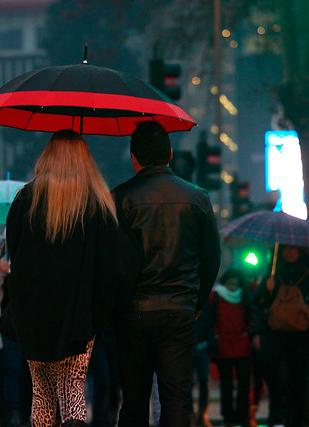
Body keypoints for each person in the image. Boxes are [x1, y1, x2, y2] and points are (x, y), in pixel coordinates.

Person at [0, 129, 141, 427]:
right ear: (84, 159)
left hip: (33, 315)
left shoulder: (26, 199)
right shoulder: (95, 201)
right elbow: (115, 263)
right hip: (78, 316)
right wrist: (104, 313)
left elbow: (15, 252)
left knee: (42, 395)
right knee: (72, 389)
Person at [111, 122, 221, 427]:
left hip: (133, 313)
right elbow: (211, 259)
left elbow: (113, 262)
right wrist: (195, 302)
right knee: (176, 399)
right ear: (170, 154)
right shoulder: (197, 198)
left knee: (133, 400)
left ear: (134, 158)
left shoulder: (119, 198)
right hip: (178, 309)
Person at [250, 244, 309, 427]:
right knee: (278, 381)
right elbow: (256, 303)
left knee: (302, 383)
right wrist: (268, 292)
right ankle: (279, 418)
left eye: (293, 248)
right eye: (285, 248)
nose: (289, 252)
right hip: (275, 336)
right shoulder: (272, 274)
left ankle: (298, 421)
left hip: (303, 337)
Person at [0, 235, 31, 426]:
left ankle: (29, 413)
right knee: (12, 370)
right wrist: (1, 273)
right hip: (7, 327)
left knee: (30, 372)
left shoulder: (30, 258)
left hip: (29, 327)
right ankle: (12, 413)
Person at [210, 268, 252, 427]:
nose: (232, 286)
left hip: (239, 345)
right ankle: (231, 416)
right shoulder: (215, 297)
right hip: (226, 346)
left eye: (235, 283)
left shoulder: (244, 295)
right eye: (230, 283)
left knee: (242, 384)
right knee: (228, 385)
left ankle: (239, 416)